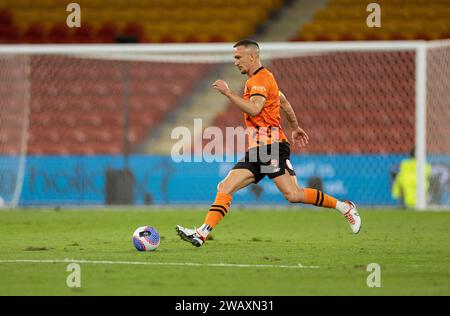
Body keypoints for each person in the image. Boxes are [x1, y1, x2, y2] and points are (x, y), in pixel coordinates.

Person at [176, 39, 361, 247]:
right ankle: (201, 233)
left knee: (294, 195)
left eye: (238, 57)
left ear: (252, 56)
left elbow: (255, 109)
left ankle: (345, 207)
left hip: (271, 147)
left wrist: (228, 92)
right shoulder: (264, 78)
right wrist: (295, 127)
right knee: (225, 187)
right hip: (258, 149)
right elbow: (284, 102)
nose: (235, 62)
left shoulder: (259, 81)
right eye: (234, 57)